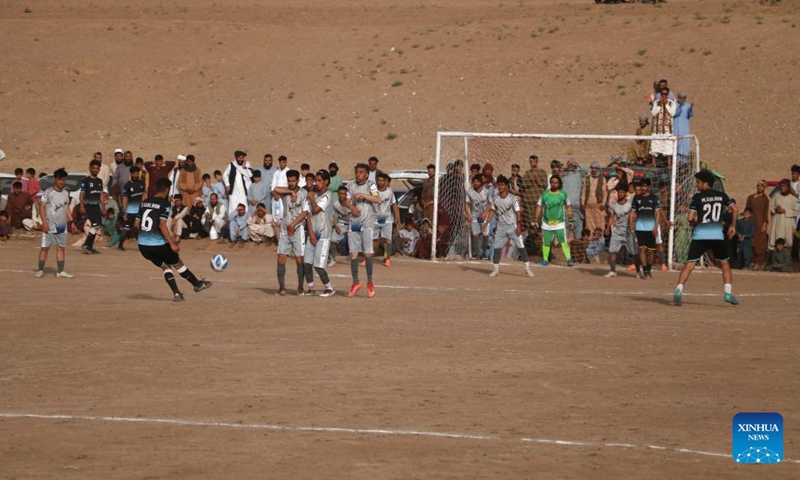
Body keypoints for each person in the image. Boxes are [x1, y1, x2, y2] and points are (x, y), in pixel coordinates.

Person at [135, 177, 211, 301]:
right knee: (177, 263)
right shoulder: (164, 204)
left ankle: (176, 293)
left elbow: (136, 224)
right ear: (167, 189)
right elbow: (162, 224)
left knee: (165, 267)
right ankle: (197, 284)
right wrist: (171, 243)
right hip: (158, 244)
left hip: (143, 245)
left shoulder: (144, 202)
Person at [673, 170, 738, 306]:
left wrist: (693, 223)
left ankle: (678, 290)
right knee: (725, 264)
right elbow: (735, 209)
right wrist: (732, 226)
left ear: (705, 183)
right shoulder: (721, 195)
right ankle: (727, 293)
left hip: (700, 235)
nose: (696, 185)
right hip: (717, 236)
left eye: (698, 182)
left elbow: (690, 217)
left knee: (689, 264)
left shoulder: (697, 197)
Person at [485, 175, 534, 277]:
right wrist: (486, 223)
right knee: (496, 247)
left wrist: (519, 225)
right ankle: (496, 269)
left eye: (502, 184)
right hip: (501, 227)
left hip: (512, 226)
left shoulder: (512, 198)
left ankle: (527, 268)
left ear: (506, 186)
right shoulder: (495, 198)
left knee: (521, 247)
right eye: (499, 185)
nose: (500, 187)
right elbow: (493, 211)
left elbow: (517, 212)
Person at [35, 168, 78, 278]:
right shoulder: (48, 192)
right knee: (45, 248)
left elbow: (66, 208)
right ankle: (40, 270)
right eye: (60, 179)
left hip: (62, 227)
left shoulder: (65, 192)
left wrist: (72, 222)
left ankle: (60, 271)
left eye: (64, 180)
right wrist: (44, 223)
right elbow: (42, 208)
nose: (62, 182)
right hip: (49, 226)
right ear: (55, 179)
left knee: (61, 248)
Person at [346, 163, 381, 297]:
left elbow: (377, 199)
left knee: (367, 254)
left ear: (366, 174)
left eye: (361, 172)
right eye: (356, 172)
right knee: (353, 254)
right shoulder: (350, 185)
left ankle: (370, 283)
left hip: (367, 224)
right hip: (353, 224)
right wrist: (351, 208)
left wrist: (362, 195)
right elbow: (347, 201)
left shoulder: (370, 185)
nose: (358, 174)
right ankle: (355, 283)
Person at [273, 170, 308, 295]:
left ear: (298, 180)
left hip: (298, 230)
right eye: (289, 181)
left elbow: (304, 212)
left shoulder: (304, 193)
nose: (291, 183)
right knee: (281, 257)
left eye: (293, 181)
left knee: (299, 259)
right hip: (285, 230)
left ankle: (300, 287)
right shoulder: (285, 192)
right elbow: (275, 189)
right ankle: (282, 287)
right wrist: (290, 191)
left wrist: (293, 225)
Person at [303, 170, 336, 296]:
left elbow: (316, 209)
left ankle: (329, 288)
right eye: (315, 180)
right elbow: (309, 215)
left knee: (319, 266)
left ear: (326, 182)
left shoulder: (328, 195)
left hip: (323, 235)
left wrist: (311, 198)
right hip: (312, 233)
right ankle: (311, 288)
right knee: (307, 263)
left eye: (319, 180)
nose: (316, 183)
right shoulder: (313, 195)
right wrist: (310, 232)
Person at [629, 177, 668, 278]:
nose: (643, 188)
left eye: (645, 186)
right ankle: (645, 270)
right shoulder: (636, 198)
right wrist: (631, 225)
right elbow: (632, 212)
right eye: (642, 186)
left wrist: (655, 227)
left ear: (649, 187)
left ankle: (649, 269)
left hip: (651, 228)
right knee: (641, 250)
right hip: (640, 228)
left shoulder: (654, 198)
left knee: (651, 251)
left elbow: (657, 213)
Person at [536, 175, 574, 267]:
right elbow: (539, 206)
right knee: (546, 242)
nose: (554, 184)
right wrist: (535, 219)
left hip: (559, 223)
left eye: (556, 182)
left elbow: (568, 206)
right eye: (552, 182)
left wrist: (570, 218)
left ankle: (569, 259)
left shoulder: (563, 194)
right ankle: (545, 260)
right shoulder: (545, 194)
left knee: (563, 241)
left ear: (559, 184)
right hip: (546, 223)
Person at [605, 183, 635, 277]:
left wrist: (633, 226)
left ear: (625, 193)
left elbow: (634, 215)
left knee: (634, 252)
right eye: (619, 192)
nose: (620, 194)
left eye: (622, 192)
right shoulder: (614, 205)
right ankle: (613, 271)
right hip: (617, 230)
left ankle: (638, 270)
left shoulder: (630, 204)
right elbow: (612, 217)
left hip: (628, 230)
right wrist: (607, 227)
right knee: (612, 251)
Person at [374, 172, 401, 266]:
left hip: (387, 219)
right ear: (376, 181)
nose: (380, 182)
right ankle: (370, 257)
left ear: (385, 181)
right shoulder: (373, 191)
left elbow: (394, 205)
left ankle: (387, 258)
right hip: (375, 219)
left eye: (382, 180)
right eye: (379, 180)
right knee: (373, 239)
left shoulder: (389, 192)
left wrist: (397, 217)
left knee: (388, 239)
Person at [79, 160, 106, 254]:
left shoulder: (99, 181)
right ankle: (87, 245)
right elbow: (82, 194)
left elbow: (101, 195)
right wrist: (82, 206)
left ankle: (89, 246)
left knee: (98, 225)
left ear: (99, 169)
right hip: (88, 205)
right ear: (90, 168)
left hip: (96, 206)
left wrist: (103, 207)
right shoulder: (86, 181)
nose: (95, 170)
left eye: (97, 168)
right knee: (95, 225)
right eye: (93, 168)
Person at [119, 165, 146, 251]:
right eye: (134, 174)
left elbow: (143, 195)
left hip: (139, 211)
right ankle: (120, 246)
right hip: (130, 211)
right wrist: (124, 211)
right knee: (127, 229)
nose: (136, 175)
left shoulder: (142, 183)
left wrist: (144, 206)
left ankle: (143, 246)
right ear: (131, 174)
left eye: (137, 173)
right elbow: (125, 199)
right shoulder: (127, 185)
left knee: (141, 228)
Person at [745, 180, 770, 270]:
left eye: (762, 186)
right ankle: (752, 261)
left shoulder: (765, 199)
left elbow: (765, 212)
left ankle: (760, 262)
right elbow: (747, 210)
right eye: (758, 186)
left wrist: (764, 224)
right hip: (751, 223)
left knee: (760, 243)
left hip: (760, 223)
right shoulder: (751, 197)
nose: (760, 187)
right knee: (752, 242)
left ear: (764, 188)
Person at [464, 173, 490, 260]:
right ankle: (478, 254)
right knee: (475, 235)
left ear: (481, 182)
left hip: (484, 215)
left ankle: (485, 253)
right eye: (474, 181)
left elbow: (490, 204)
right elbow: (466, 204)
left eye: (477, 181)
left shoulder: (486, 192)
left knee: (485, 234)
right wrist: (468, 214)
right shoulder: (469, 192)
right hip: (475, 216)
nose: (475, 183)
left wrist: (485, 213)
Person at [769, 179, 799, 252]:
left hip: (788, 222)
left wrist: (785, 211)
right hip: (778, 221)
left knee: (788, 241)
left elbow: (796, 211)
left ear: (788, 187)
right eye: (781, 186)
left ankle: (787, 258)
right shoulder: (776, 196)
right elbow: (771, 207)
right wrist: (776, 209)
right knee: (777, 237)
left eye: (784, 186)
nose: (782, 188)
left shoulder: (794, 199)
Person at [650, 87, 677, 165]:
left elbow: (672, 113)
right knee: (654, 147)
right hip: (657, 129)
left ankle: (669, 165)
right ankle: (653, 164)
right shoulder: (656, 102)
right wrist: (659, 105)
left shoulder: (672, 103)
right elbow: (653, 113)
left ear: (668, 94)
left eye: (665, 94)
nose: (663, 95)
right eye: (662, 94)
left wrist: (666, 105)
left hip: (667, 129)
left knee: (668, 148)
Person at [562, 159, 587, 240]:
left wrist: (577, 163)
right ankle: (564, 244)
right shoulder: (564, 176)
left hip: (577, 206)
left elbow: (586, 170)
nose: (571, 165)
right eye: (569, 164)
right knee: (566, 225)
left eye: (572, 164)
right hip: (566, 205)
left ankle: (578, 242)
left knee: (578, 225)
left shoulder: (579, 174)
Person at [520, 154, 548, 226]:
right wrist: (531, 181)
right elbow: (524, 185)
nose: (532, 163)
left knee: (539, 220)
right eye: (530, 161)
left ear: (537, 162)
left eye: (533, 161)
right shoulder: (527, 173)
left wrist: (537, 180)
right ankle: (532, 235)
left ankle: (539, 234)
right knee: (530, 221)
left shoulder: (542, 172)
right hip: (529, 200)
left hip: (539, 200)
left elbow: (545, 185)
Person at [223, 150, 253, 217]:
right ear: (236, 158)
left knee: (244, 206)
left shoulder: (247, 164)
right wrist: (228, 185)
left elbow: (251, 175)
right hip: (234, 191)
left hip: (243, 191)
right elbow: (225, 175)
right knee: (234, 207)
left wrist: (245, 168)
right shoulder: (232, 165)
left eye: (242, 158)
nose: (240, 160)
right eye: (239, 158)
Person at [674, 91, 695, 164]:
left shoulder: (688, 105)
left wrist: (691, 108)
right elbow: (675, 113)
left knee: (684, 145)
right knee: (676, 146)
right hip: (676, 129)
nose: (682, 99)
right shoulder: (675, 105)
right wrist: (680, 106)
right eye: (680, 98)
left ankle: (683, 163)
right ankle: (676, 163)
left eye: (683, 98)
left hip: (684, 129)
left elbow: (691, 114)